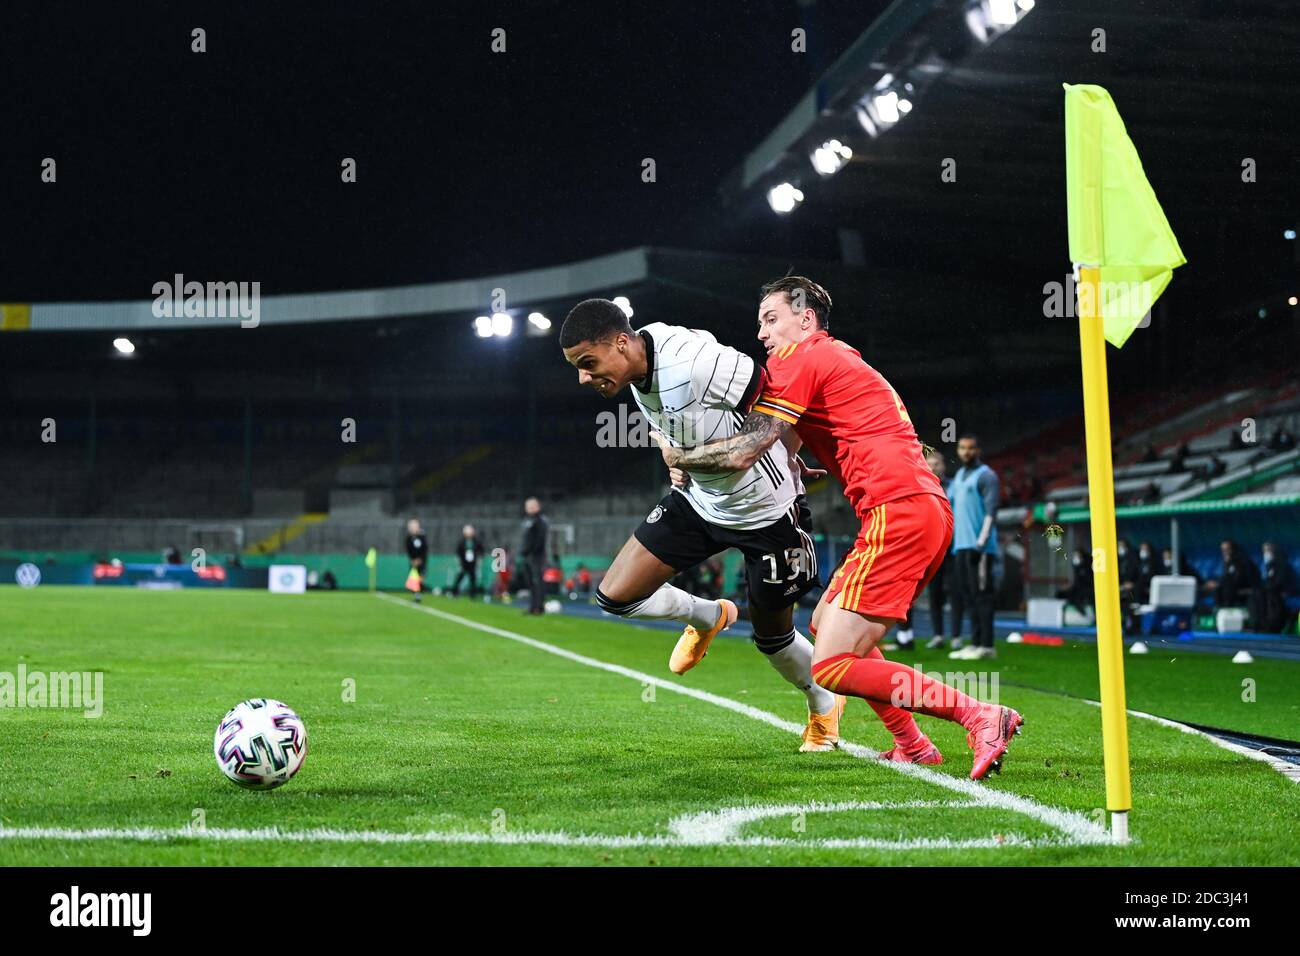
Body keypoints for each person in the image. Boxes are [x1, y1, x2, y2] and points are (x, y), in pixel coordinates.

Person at [657, 275, 1021, 779]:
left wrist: (682, 457)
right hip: (914, 508)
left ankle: (980, 714)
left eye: (771, 319)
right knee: (824, 624)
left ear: (805, 318)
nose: (762, 334)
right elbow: (801, 435)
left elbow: (746, 451)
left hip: (898, 510)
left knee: (829, 665)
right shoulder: (834, 355)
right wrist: (797, 461)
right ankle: (913, 744)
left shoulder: (796, 359)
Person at [561, 297, 844, 752]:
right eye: (577, 367)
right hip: (699, 503)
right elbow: (666, 426)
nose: (584, 377)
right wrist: (670, 455)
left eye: (588, 363)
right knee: (614, 597)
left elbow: (784, 392)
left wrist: (792, 449)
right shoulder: (636, 367)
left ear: (620, 342)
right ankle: (709, 615)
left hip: (766, 513)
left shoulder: (693, 361)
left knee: (773, 640)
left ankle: (822, 703)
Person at [947, 434, 1001, 661]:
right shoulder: (959, 476)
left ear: (978, 450)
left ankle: (987, 646)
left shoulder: (986, 476)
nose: (966, 452)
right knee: (969, 596)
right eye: (962, 448)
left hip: (980, 548)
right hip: (960, 546)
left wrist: (981, 543)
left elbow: (991, 511)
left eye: (970, 448)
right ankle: (975, 643)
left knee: (982, 596)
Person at [1252, 542, 1295, 633]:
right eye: (1264, 551)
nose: (1266, 553)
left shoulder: (1282, 565)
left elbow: (1281, 582)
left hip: (1282, 591)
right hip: (1270, 592)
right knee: (1257, 594)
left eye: (1268, 550)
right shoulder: (1267, 566)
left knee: (1268, 596)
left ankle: (1272, 625)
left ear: (1274, 551)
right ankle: (1260, 624)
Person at [1206, 539, 1260, 609]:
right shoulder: (1228, 563)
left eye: (1227, 549)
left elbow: (1237, 579)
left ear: (1234, 549)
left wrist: (1218, 583)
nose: (1225, 552)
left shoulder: (1242, 562)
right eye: (1223, 550)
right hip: (1232, 589)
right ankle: (1219, 610)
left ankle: (1225, 609)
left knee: (1222, 587)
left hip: (1245, 588)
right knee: (1216, 588)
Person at [520, 498, 549, 615]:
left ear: (537, 507)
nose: (529, 508)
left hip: (537, 556)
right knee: (531, 582)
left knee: (537, 581)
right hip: (529, 556)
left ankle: (538, 607)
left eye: (532, 506)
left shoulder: (541, 521)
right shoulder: (528, 521)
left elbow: (539, 540)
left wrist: (530, 551)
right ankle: (533, 606)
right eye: (528, 506)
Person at [451, 524, 484, 598]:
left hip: (473, 563)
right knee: (459, 578)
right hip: (464, 563)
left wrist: (479, 560)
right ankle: (454, 592)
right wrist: (459, 562)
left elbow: (481, 551)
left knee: (473, 579)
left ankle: (473, 594)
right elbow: (458, 552)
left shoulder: (476, 541)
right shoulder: (462, 541)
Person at [404, 517, 428, 603]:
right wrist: (412, 560)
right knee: (414, 580)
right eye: (411, 526)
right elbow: (408, 550)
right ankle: (417, 595)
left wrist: (420, 559)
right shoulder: (408, 538)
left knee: (421, 579)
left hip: (422, 561)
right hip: (413, 562)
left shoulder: (422, 537)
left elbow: (425, 549)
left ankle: (422, 591)